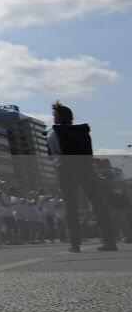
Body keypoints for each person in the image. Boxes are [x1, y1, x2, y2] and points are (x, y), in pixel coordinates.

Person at [48, 102, 118, 252]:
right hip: (86, 169)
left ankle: (75, 244)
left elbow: (54, 154)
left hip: (66, 170)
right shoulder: (83, 132)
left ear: (56, 118)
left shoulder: (54, 134)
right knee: (98, 205)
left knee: (71, 207)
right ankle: (109, 241)